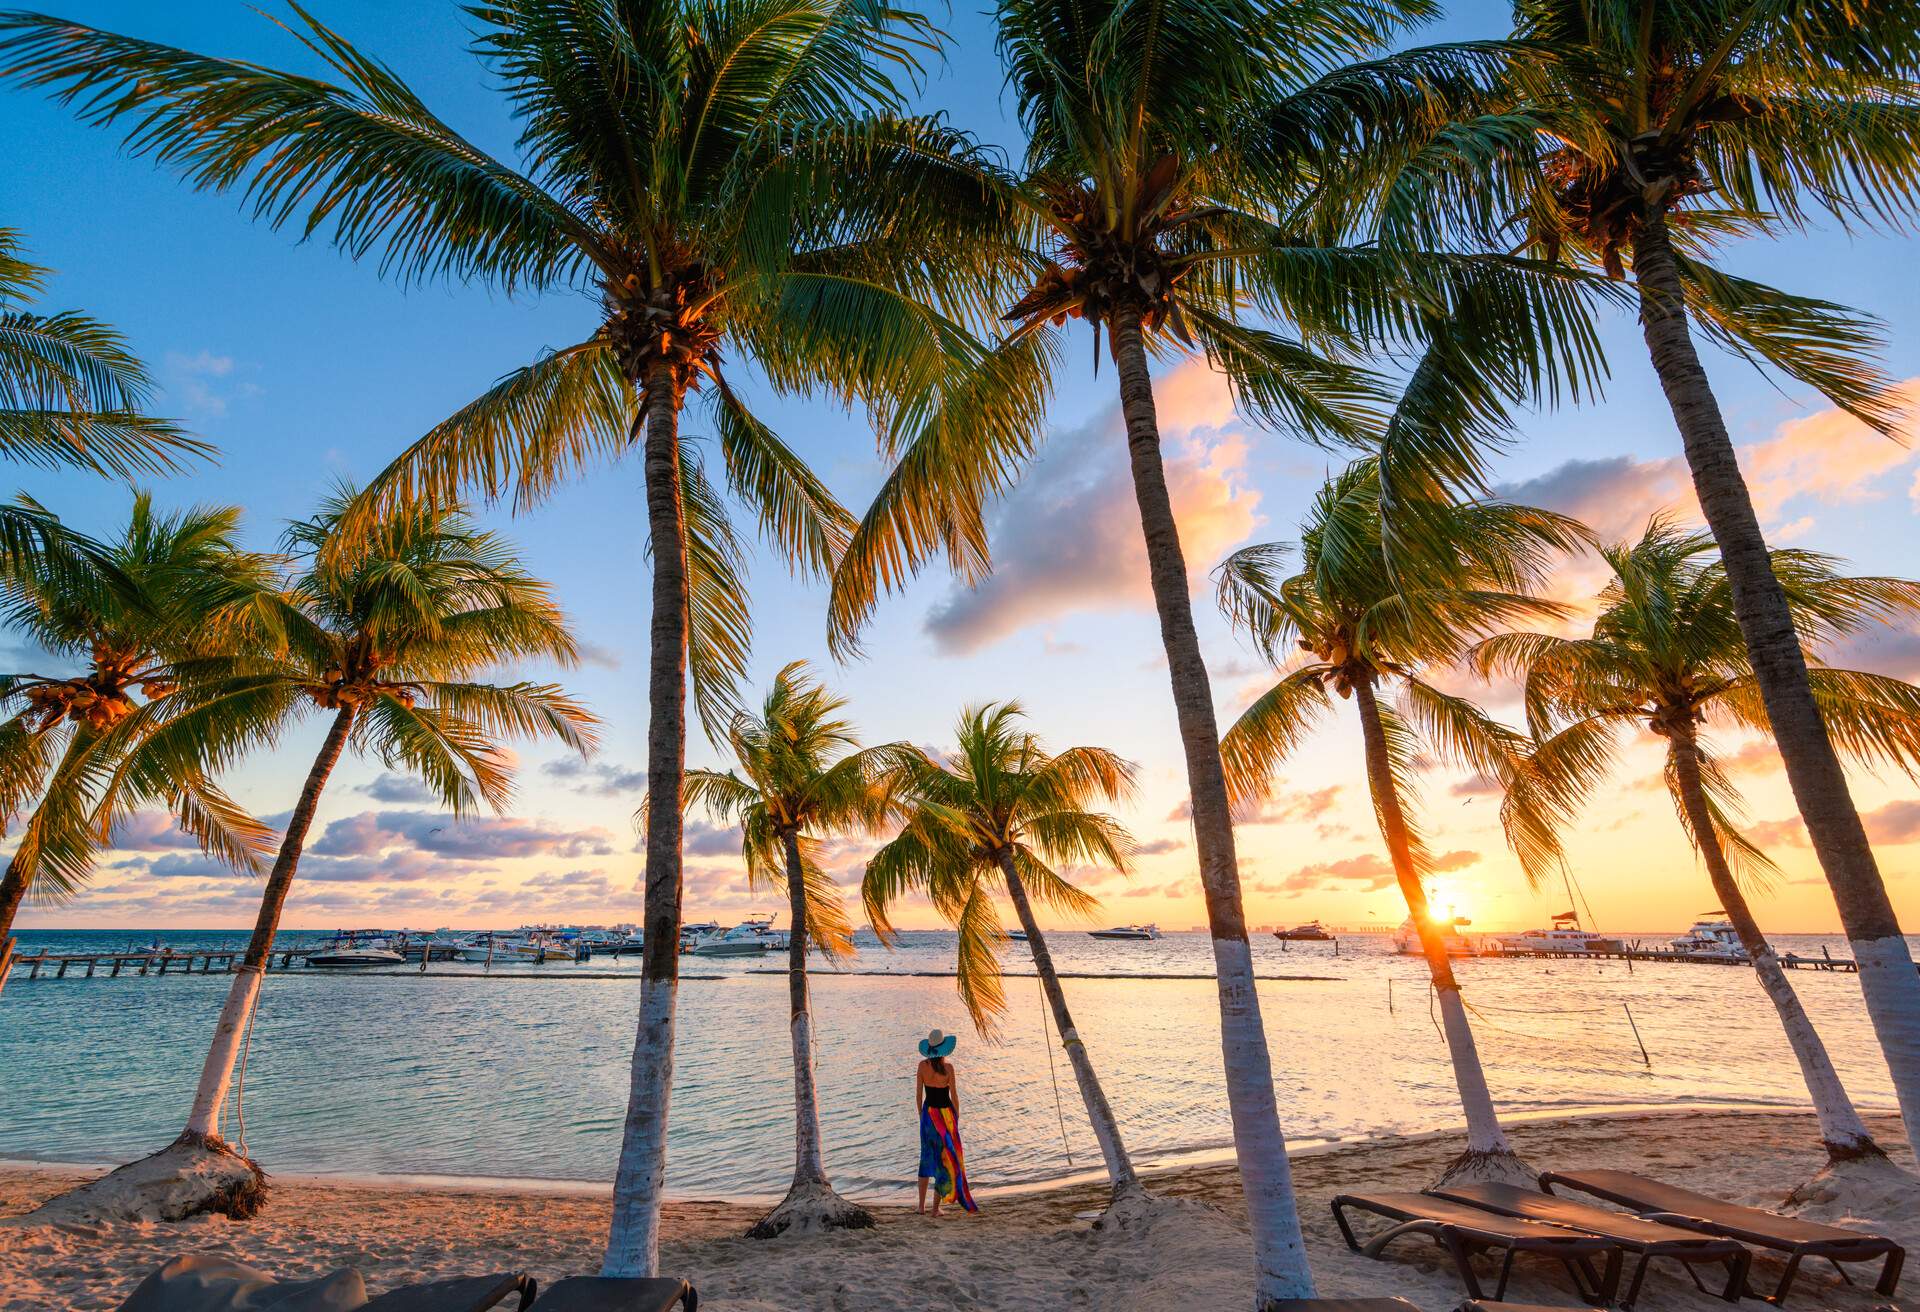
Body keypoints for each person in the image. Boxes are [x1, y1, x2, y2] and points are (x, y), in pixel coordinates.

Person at [916, 1028, 976, 1215]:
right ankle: (935, 1209)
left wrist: (922, 1117)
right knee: (944, 1160)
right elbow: (955, 1096)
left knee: (926, 1158)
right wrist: (955, 1118)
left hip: (928, 1115)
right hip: (945, 1117)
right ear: (943, 1048)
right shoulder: (948, 1068)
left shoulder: (922, 1066)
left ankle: (920, 1207)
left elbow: (918, 1096)